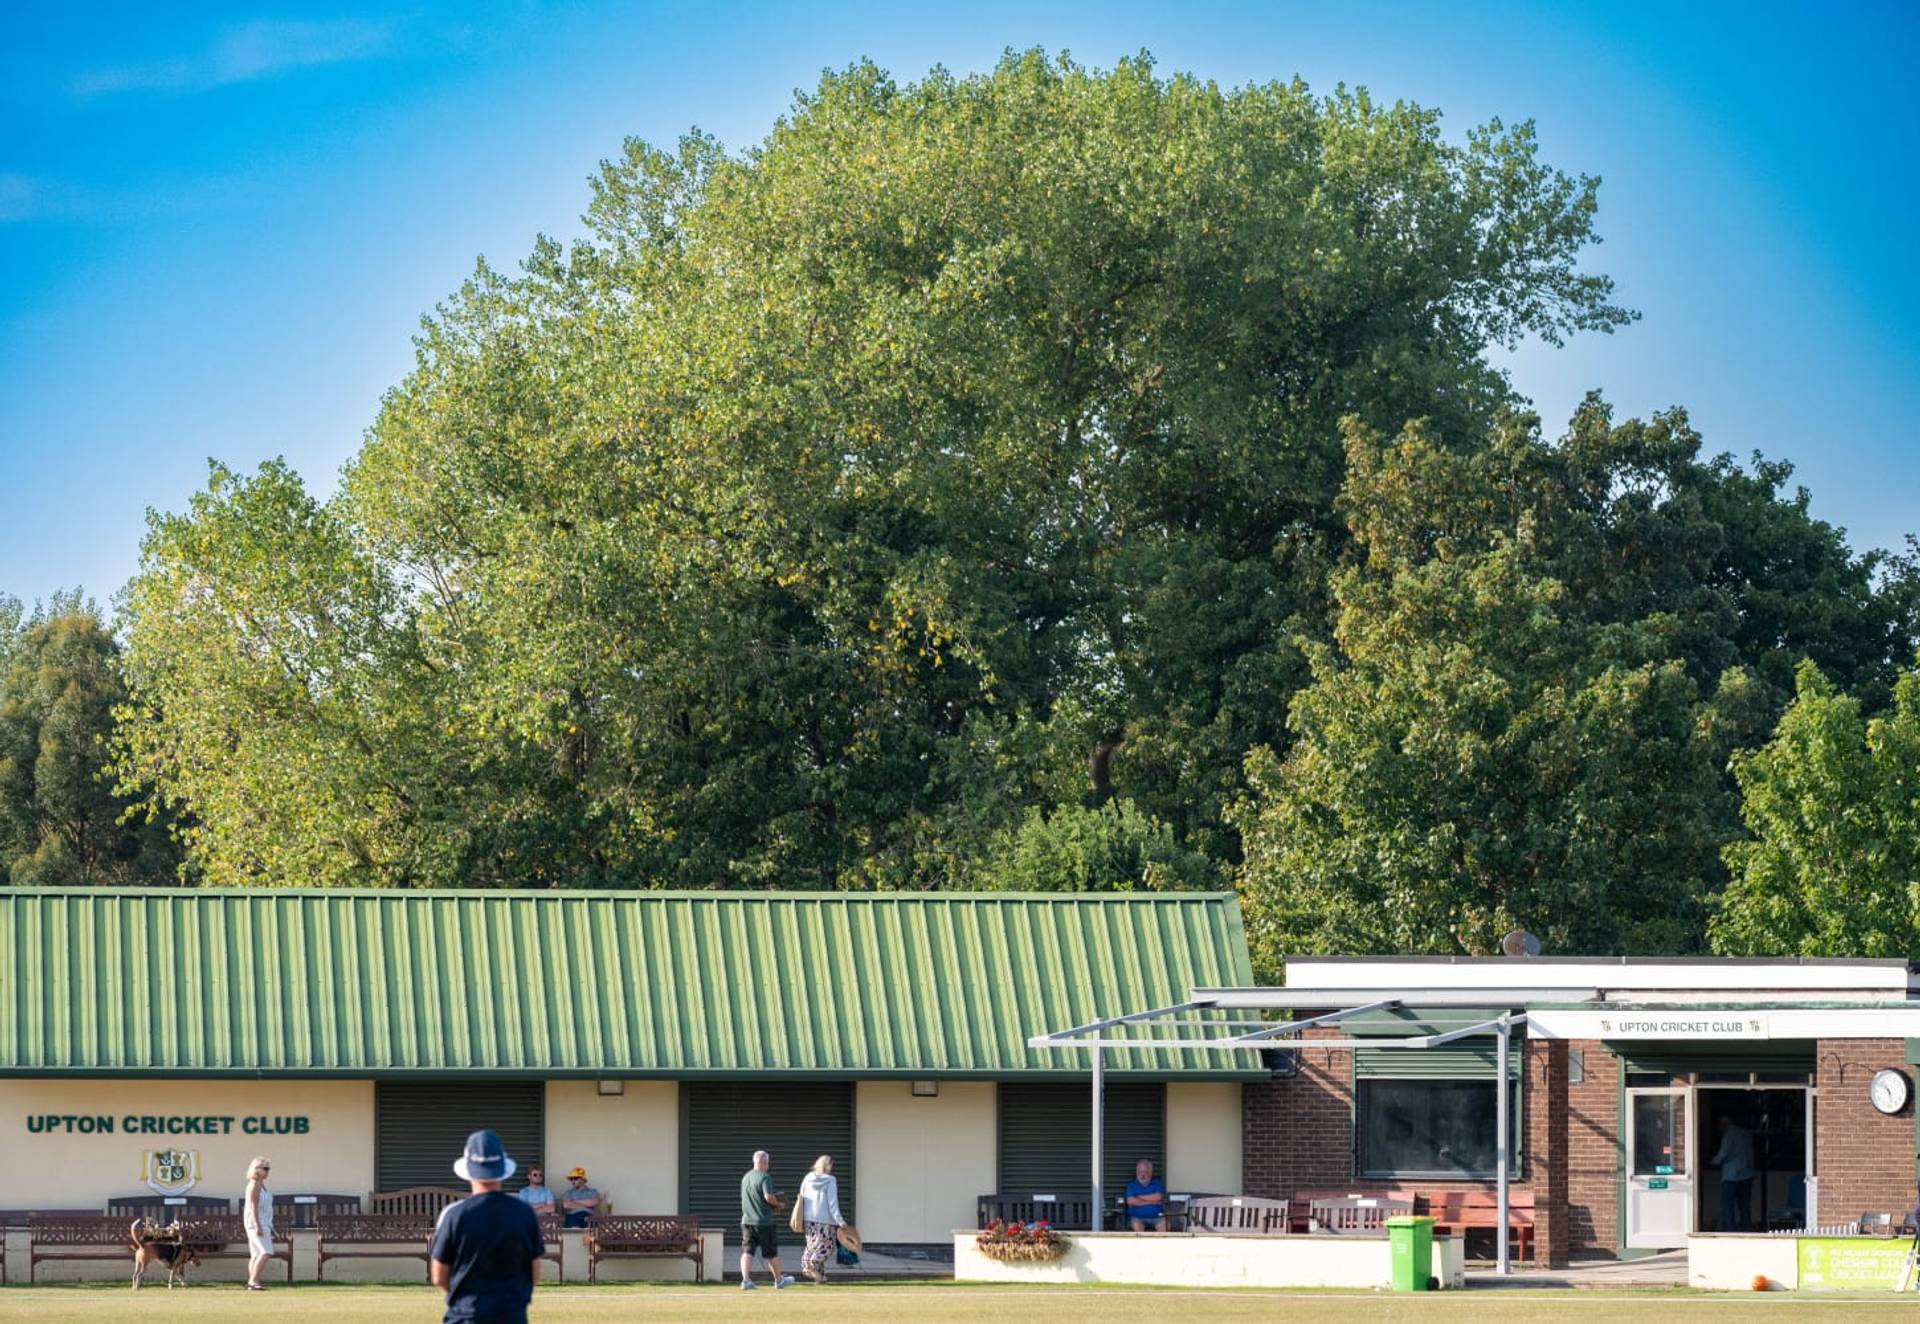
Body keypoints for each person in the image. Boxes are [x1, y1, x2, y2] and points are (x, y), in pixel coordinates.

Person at [431, 1129, 544, 1324]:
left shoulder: (453, 1215)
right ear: (503, 1168)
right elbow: (534, 1274)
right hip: (512, 1316)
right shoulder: (525, 1214)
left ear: (467, 1169)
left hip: (465, 1316)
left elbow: (439, 1276)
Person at [739, 1149, 795, 1290]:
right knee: (771, 1253)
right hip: (764, 1222)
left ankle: (745, 1280)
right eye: (767, 1163)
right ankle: (779, 1280)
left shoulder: (745, 1177)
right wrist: (779, 1204)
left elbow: (755, 1199)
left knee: (747, 1251)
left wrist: (771, 1206)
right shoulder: (765, 1177)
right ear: (763, 1162)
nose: (768, 1166)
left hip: (746, 1221)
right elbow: (768, 1197)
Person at [797, 1154, 846, 1283]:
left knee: (812, 1246)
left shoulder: (807, 1178)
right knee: (826, 1247)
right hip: (825, 1221)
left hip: (810, 1221)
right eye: (831, 1165)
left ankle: (819, 1277)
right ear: (827, 1166)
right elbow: (832, 1203)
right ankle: (811, 1263)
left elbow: (802, 1198)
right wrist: (840, 1221)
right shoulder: (830, 1180)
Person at [1712, 1116, 1756, 1232]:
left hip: (1731, 1177)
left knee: (1728, 1207)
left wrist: (1713, 1161)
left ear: (1723, 1124)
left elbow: (1723, 1154)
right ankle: (1746, 1230)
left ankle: (1729, 1231)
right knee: (1744, 1206)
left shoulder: (1729, 1135)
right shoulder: (1746, 1134)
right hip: (1747, 1175)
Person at [242, 1155, 275, 1291]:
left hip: (264, 1222)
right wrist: (257, 1226)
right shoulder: (254, 1185)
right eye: (265, 1168)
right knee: (266, 1252)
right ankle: (253, 1281)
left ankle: (253, 1283)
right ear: (256, 1169)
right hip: (256, 1222)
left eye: (268, 1169)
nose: (267, 1171)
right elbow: (253, 1207)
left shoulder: (262, 1185)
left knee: (255, 1254)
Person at [1124, 1158, 1168, 1232]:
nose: (1143, 1174)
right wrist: (1151, 1202)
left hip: (1157, 1217)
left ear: (1150, 1172)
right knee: (1137, 1225)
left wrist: (1139, 1197)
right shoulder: (1132, 1185)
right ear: (1136, 1172)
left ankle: (1161, 1243)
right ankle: (1142, 1244)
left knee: (1164, 1224)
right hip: (1137, 1217)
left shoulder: (1157, 1183)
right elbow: (1131, 1201)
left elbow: (1158, 1197)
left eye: (1145, 1171)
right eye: (1140, 1172)